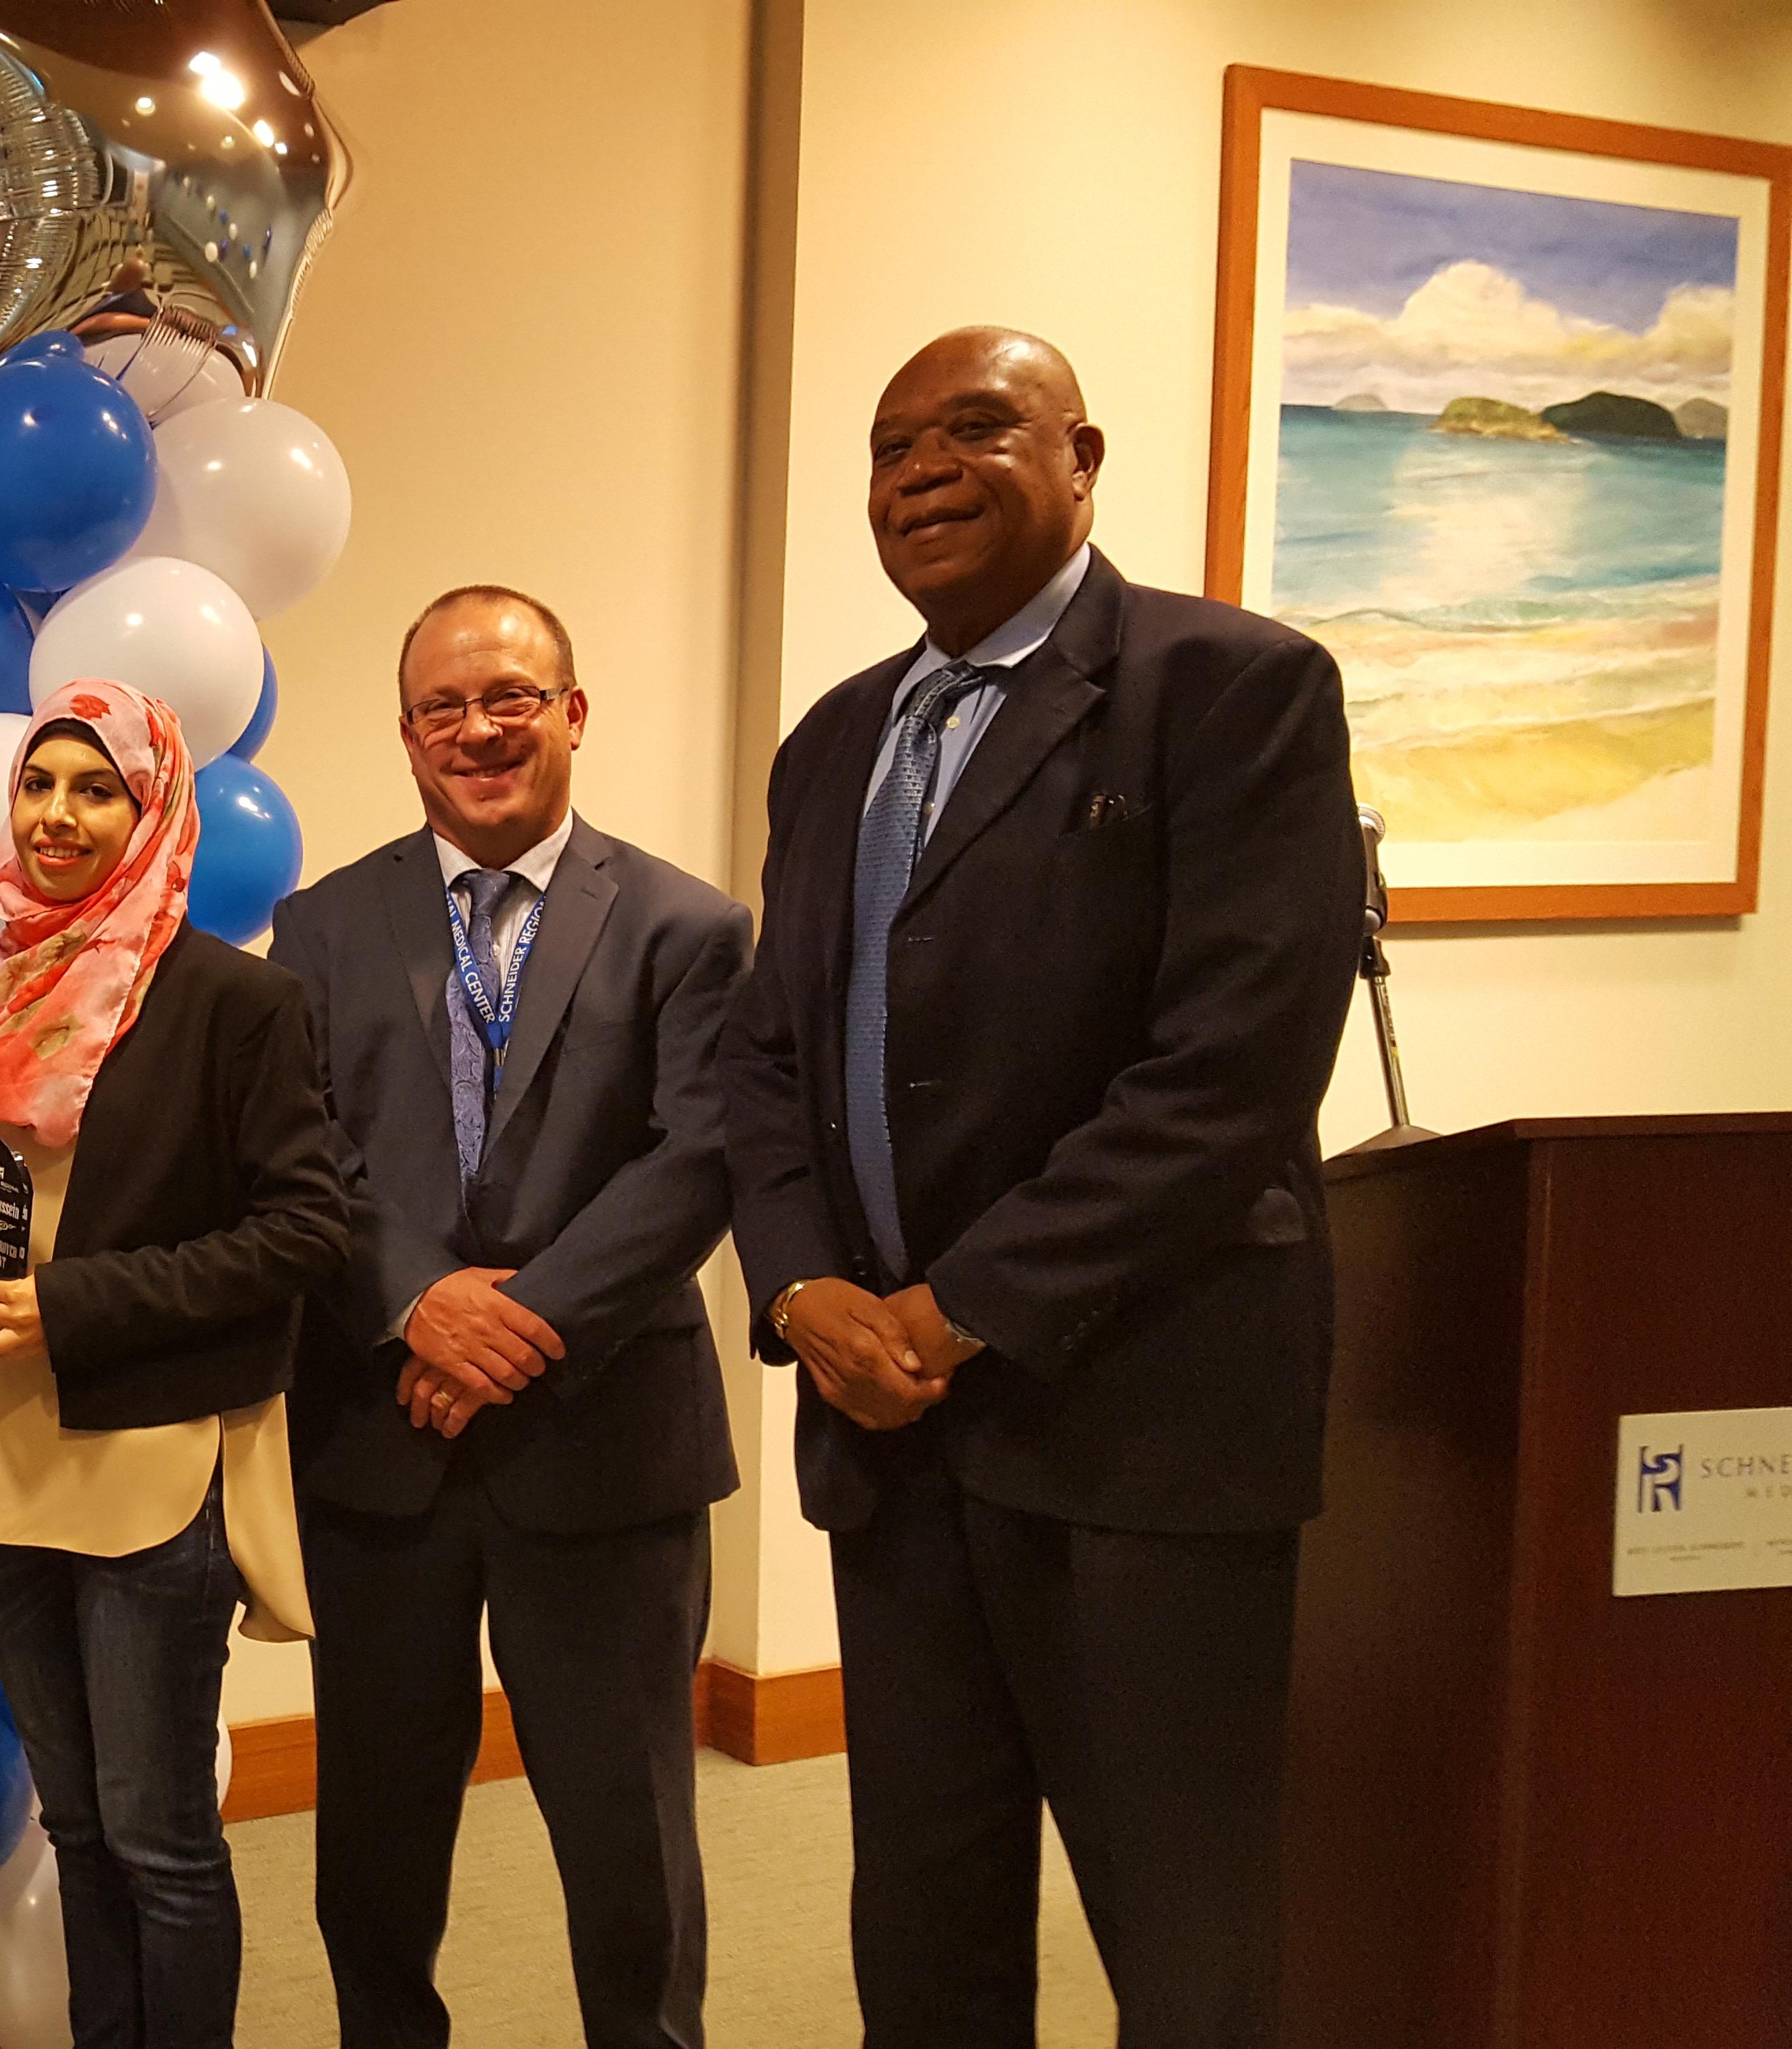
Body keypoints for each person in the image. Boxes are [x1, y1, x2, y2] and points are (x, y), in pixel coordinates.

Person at [721, 328, 1361, 2048]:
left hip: (1138, 1429)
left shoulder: (1232, 688)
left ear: (1083, 458)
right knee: (923, 1927)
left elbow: (1225, 1077)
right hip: (891, 1436)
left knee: (1183, 1930)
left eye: (974, 429)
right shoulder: (834, 742)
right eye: (888, 444)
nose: (919, 467)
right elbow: (765, 1060)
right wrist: (800, 1291)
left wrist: (956, 1311)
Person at [266, 586, 750, 2049]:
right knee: (375, 1837)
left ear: (572, 714)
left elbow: (699, 1161)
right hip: (379, 1449)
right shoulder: (323, 923)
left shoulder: (687, 925)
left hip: (606, 1447)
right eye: (442, 708)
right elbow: (299, 1153)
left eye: (511, 699)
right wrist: (415, 1305)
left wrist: (513, 1327)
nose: (476, 730)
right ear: (405, 735)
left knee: (628, 1844)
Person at [0, 679, 349, 2049]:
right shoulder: (9, 985)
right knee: (76, 1823)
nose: (57, 815)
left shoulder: (234, 1002)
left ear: (151, 806)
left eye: (93, 787)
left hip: (149, 1462)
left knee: (160, 1836)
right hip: (10, 1447)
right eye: (38, 786)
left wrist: (82, 1303)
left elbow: (302, 1230)